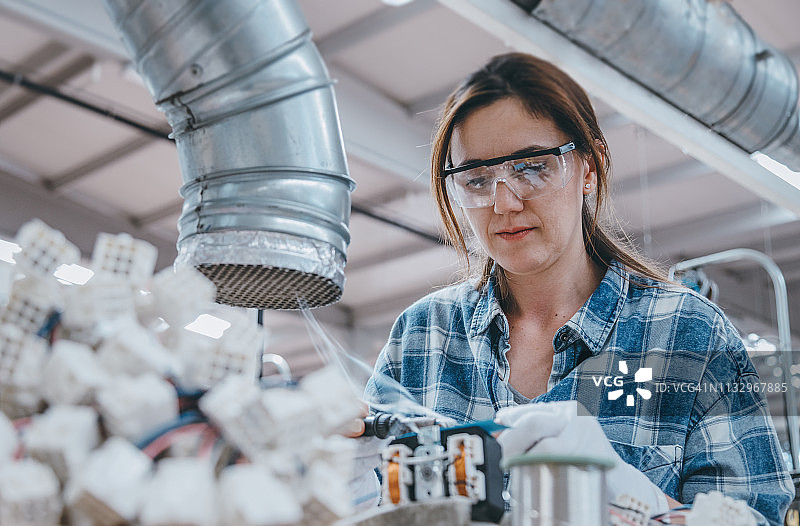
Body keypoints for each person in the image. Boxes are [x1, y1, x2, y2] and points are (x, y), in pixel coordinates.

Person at [362, 52, 794, 524]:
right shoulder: (422, 336)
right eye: (477, 179)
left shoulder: (688, 335)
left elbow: (758, 518)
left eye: (532, 167)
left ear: (589, 168)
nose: (503, 203)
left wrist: (643, 506)